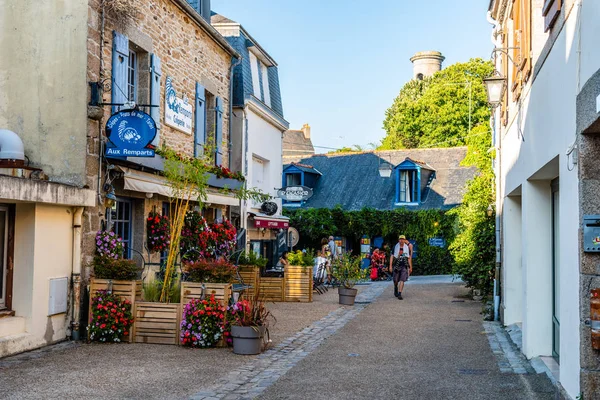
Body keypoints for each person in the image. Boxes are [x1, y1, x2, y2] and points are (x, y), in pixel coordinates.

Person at [389, 235, 413, 300]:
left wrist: (410, 267)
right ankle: (395, 287)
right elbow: (392, 256)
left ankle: (400, 293)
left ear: (405, 240)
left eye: (403, 239)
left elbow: (408, 257)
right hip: (396, 265)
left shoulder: (406, 248)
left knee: (402, 279)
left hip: (404, 265)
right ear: (398, 240)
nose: (401, 241)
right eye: (400, 239)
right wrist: (390, 266)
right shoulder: (395, 247)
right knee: (395, 280)